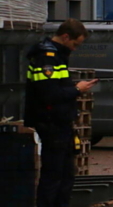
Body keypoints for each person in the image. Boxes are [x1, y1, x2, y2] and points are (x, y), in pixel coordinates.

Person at [26, 19, 97, 207]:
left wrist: (74, 88)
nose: (75, 49)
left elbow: (55, 88)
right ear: (66, 37)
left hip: (61, 122)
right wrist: (77, 89)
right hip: (51, 123)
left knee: (66, 175)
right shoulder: (47, 57)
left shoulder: (56, 56)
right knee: (54, 175)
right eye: (75, 44)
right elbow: (48, 93)